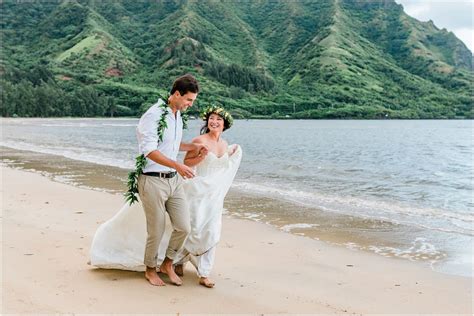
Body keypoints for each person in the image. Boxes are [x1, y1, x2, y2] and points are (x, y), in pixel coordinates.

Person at [90, 74, 205, 287]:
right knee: (157, 229)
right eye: (189, 100)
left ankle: (167, 263)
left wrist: (192, 148)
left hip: (173, 181)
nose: (191, 104)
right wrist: (179, 165)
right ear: (177, 94)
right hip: (152, 180)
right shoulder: (153, 115)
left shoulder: (177, 114)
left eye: (193, 101)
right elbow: (150, 151)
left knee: (183, 227)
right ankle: (150, 269)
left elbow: (171, 144)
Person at [173, 105, 242, 288]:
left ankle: (204, 273)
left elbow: (223, 168)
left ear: (224, 124)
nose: (214, 122)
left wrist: (230, 156)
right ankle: (179, 260)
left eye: (219, 119)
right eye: (211, 118)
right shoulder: (199, 139)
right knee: (193, 228)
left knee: (211, 230)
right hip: (197, 190)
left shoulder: (225, 144)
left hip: (214, 195)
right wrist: (201, 156)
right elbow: (187, 162)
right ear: (207, 121)